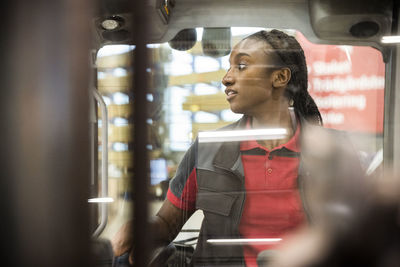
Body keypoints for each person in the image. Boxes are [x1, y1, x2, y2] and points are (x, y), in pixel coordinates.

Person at [112, 29, 324, 266]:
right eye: (229, 67)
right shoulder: (206, 151)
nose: (226, 78)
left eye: (241, 66)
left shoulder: (330, 155)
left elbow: (353, 236)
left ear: (280, 77)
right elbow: (167, 223)